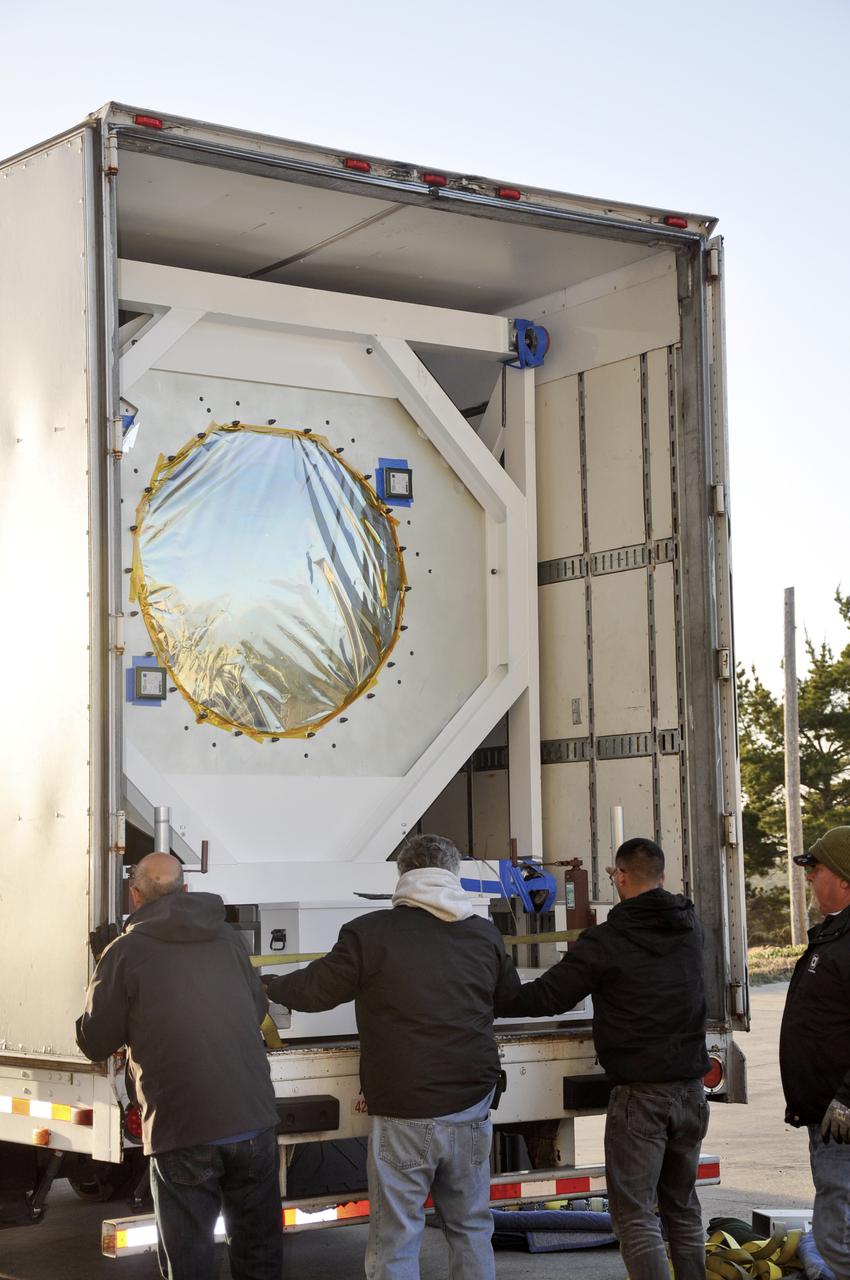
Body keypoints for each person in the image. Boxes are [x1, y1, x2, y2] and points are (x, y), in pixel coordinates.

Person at [262, 833, 521, 1280]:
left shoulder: (371, 933)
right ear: (453, 874)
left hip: (404, 1111)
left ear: (402, 875)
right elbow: (509, 998)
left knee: (396, 1239)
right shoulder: (483, 934)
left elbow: (314, 991)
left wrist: (265, 985)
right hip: (473, 1103)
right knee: (472, 1229)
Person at [502, 837, 709, 1280]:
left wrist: (490, 992)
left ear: (620, 876)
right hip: (691, 1091)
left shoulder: (608, 940)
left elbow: (548, 997)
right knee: (682, 1207)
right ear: (663, 877)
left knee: (635, 1216)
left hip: (641, 1096)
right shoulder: (692, 928)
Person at [76, 852, 282, 1280]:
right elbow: (257, 1006)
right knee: (259, 1251)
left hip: (180, 1126)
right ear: (186, 890)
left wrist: (99, 974)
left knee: (188, 1257)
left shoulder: (124, 952)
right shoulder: (228, 939)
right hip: (253, 1121)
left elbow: (96, 1042)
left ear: (134, 896)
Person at [780, 827, 850, 1279]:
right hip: (826, 1114)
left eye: (816, 869)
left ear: (844, 878)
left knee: (839, 1236)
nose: (809, 878)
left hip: (842, 1118)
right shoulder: (834, 936)